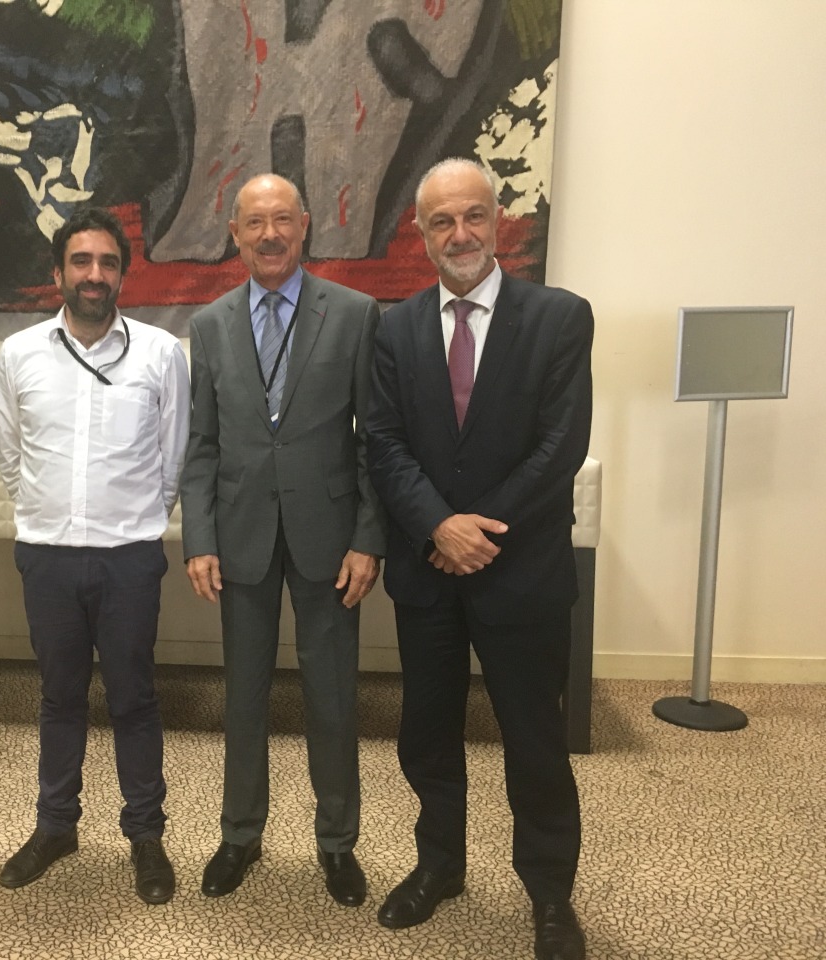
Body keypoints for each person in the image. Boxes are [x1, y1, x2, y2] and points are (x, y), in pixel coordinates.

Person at [366, 157, 592, 960]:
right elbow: (384, 444)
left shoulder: (560, 318)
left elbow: (561, 447)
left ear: (499, 221)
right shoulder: (392, 329)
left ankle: (550, 894)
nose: (459, 234)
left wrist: (475, 530)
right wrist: (437, 526)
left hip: (519, 572)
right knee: (427, 734)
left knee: (533, 739)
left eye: (472, 217)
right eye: (440, 222)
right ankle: (439, 867)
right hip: (429, 573)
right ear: (421, 235)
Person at [179, 173, 385, 907]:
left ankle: (338, 843)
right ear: (232, 233)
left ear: (305, 226)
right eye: (253, 223)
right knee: (244, 695)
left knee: (333, 695)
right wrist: (197, 536)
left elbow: (374, 441)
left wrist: (369, 537)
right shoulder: (207, 327)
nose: (269, 235)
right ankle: (240, 834)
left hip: (331, 540)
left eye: (282, 221)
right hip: (239, 538)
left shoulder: (357, 315)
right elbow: (200, 445)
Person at [0, 207, 189, 905]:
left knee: (134, 697)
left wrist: (130, 524)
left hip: (129, 557)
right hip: (47, 556)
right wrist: (50, 515)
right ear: (58, 274)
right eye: (81, 262)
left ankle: (145, 833)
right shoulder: (19, 354)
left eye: (108, 263)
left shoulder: (162, 354)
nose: (95, 275)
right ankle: (55, 825)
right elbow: (11, 457)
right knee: (58, 696)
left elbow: (173, 463)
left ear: (123, 275)